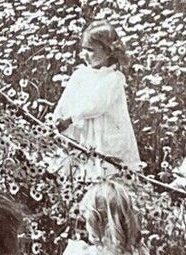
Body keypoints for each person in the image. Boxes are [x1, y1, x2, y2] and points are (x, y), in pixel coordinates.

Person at [52, 22, 141, 169]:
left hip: (103, 135)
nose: (84, 54)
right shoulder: (79, 74)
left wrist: (70, 119)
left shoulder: (113, 78)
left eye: (90, 50)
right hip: (80, 132)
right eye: (83, 49)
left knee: (106, 167)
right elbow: (66, 100)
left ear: (108, 51)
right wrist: (58, 117)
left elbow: (96, 105)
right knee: (76, 164)